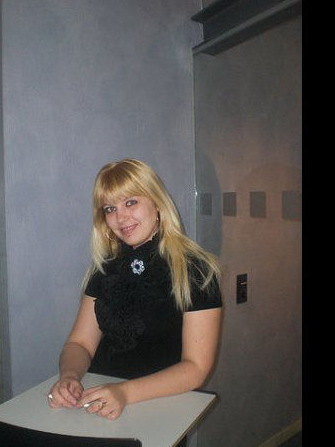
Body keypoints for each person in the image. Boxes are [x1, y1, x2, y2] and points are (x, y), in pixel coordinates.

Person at [47, 158, 222, 422]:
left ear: (157, 202)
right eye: (110, 208)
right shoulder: (105, 267)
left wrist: (124, 393)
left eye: (130, 202)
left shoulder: (195, 271)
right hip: (96, 401)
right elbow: (80, 343)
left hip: (160, 406)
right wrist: (70, 377)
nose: (120, 217)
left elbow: (196, 368)